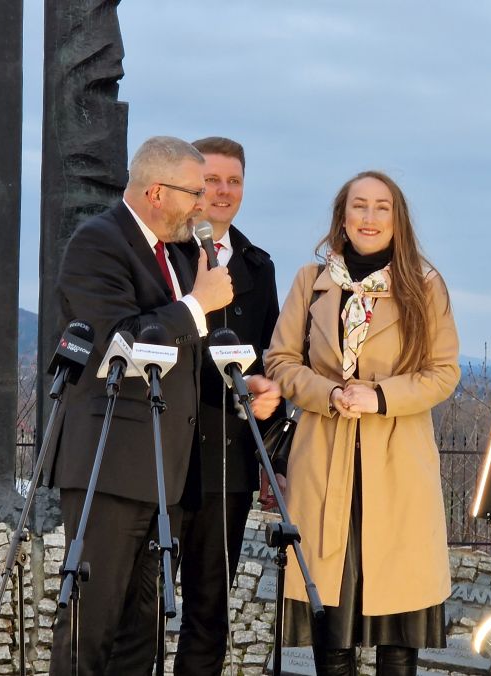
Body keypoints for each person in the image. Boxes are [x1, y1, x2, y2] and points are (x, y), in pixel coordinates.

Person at [48, 135, 267, 673]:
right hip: (110, 467)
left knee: (140, 632)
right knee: (91, 625)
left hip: (165, 473)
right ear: (156, 192)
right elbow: (118, 340)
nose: (202, 204)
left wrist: (240, 384)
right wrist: (197, 305)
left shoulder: (174, 253)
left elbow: (183, 357)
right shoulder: (97, 243)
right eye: (194, 192)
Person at [264, 170, 461, 676]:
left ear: (397, 220)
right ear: (342, 216)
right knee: (331, 619)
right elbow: (280, 361)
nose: (369, 217)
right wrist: (328, 393)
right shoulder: (311, 282)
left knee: (399, 624)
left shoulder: (425, 286)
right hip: (322, 464)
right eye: (359, 205)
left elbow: (443, 373)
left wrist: (379, 396)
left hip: (397, 470)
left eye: (382, 207)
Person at [169, 136, 283, 676]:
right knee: (141, 607)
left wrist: (270, 391)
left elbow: (274, 355)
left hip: (227, 463)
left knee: (209, 612)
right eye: (211, 179)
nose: (223, 191)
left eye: (233, 181)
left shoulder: (259, 267)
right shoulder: (163, 256)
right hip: (163, 454)